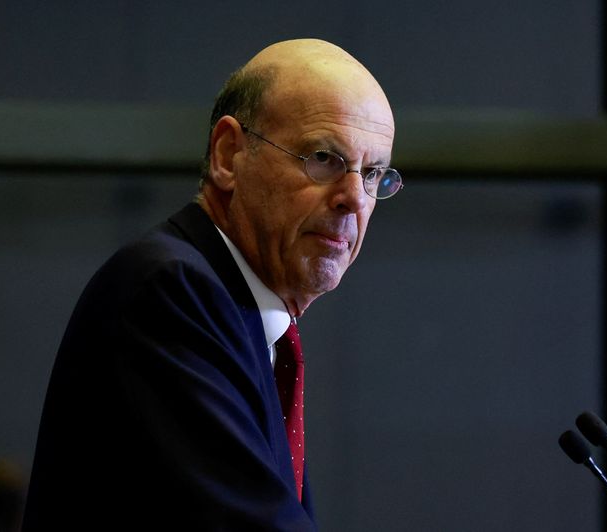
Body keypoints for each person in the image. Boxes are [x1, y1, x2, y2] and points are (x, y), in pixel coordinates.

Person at [21, 38, 401, 531]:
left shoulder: (245, 316)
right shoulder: (168, 293)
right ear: (229, 155)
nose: (354, 198)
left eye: (373, 174)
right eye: (324, 158)